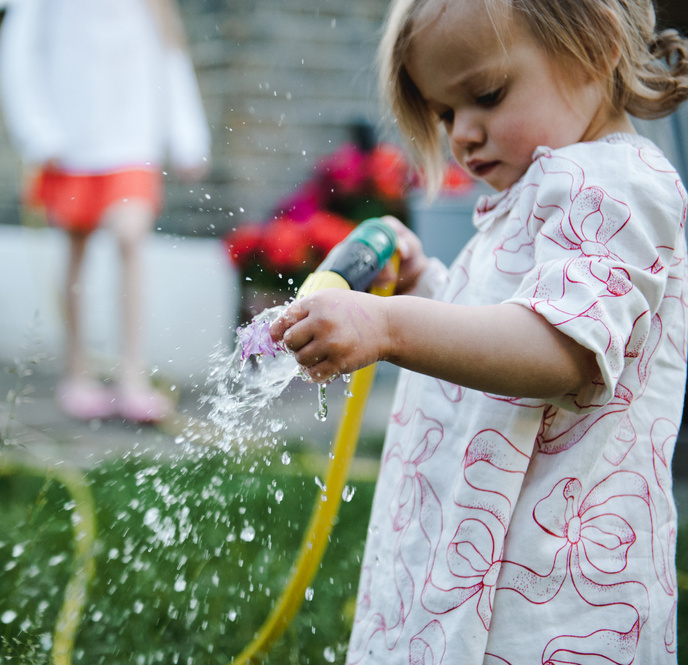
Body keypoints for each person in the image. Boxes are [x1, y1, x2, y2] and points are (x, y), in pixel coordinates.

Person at [269, 0, 688, 661]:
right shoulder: (547, 186)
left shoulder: (616, 184)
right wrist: (426, 287)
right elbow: (504, 326)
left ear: (597, 44)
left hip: (548, 601)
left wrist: (389, 324)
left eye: (486, 95)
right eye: (444, 114)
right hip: (481, 560)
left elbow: (555, 350)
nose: (462, 133)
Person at [0, 0, 211, 423]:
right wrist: (38, 130)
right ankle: (77, 371)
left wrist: (187, 135)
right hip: (71, 142)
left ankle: (132, 377)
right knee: (77, 246)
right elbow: (20, 51)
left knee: (131, 236)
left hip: (133, 139)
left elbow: (170, 54)